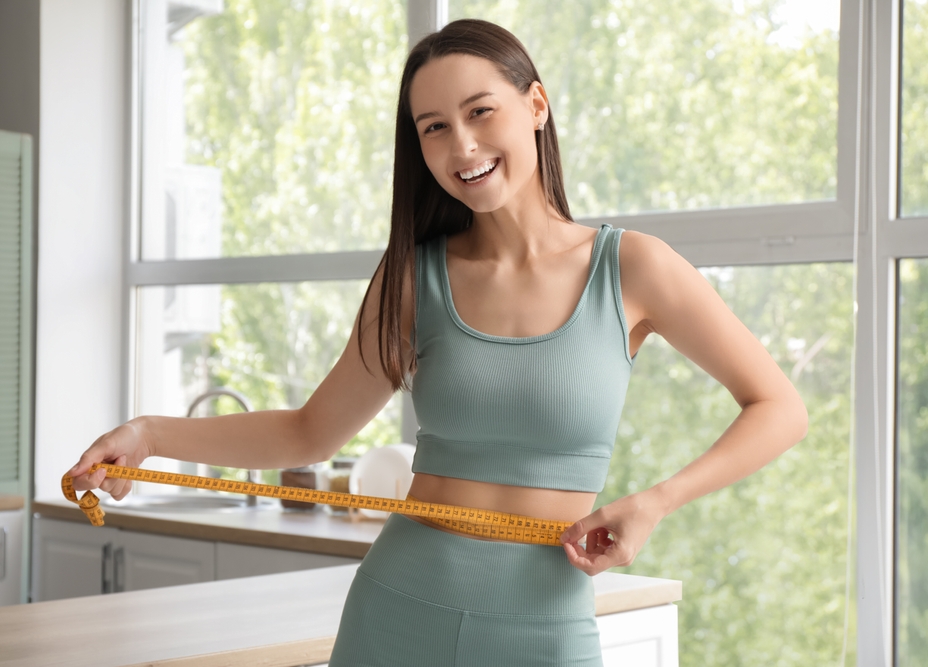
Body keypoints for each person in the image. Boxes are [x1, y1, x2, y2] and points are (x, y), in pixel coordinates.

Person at [67, 18, 808, 667]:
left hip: (545, 626)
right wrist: (149, 434)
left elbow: (778, 407)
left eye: (480, 111)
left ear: (537, 105)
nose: (463, 144)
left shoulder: (632, 268)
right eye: (434, 127)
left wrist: (657, 501)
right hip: (400, 609)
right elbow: (309, 431)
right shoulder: (413, 278)